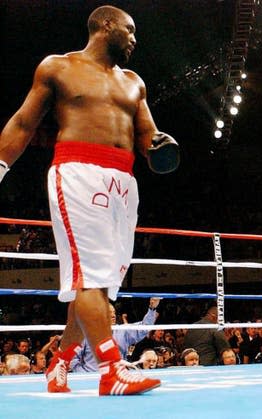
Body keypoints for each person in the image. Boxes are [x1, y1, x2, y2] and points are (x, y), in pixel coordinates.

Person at [0, 5, 179, 395]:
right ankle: (111, 369)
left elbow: (148, 136)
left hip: (124, 182)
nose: (134, 39)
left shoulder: (134, 82)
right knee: (91, 279)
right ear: (107, 26)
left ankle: (59, 364)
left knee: (96, 286)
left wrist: (161, 147)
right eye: (130, 31)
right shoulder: (59, 68)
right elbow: (23, 122)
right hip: (78, 171)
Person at [71, 297, 161, 372]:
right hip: (92, 376)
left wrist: (152, 308)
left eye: (114, 312)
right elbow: (73, 359)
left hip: (117, 376)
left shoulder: (122, 330)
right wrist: (84, 375)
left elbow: (144, 328)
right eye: (108, 313)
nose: (113, 315)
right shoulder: (86, 334)